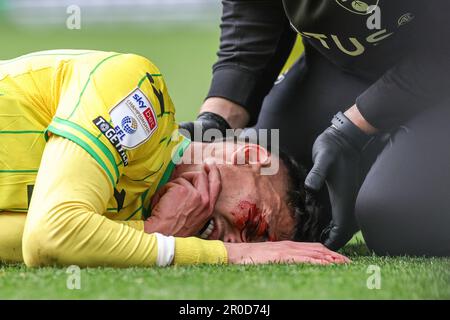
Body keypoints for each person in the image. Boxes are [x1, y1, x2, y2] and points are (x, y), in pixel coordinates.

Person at [0, 49, 349, 267]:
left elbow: (33, 241)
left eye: (253, 247)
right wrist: (228, 256)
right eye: (253, 225)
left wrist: (154, 235)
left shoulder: (145, 210)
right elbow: (51, 236)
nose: (234, 243)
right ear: (250, 156)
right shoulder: (139, 96)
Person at [180, 0, 450, 256]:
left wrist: (354, 127)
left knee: (395, 216)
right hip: (348, 67)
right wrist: (215, 122)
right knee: (273, 182)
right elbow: (254, 14)